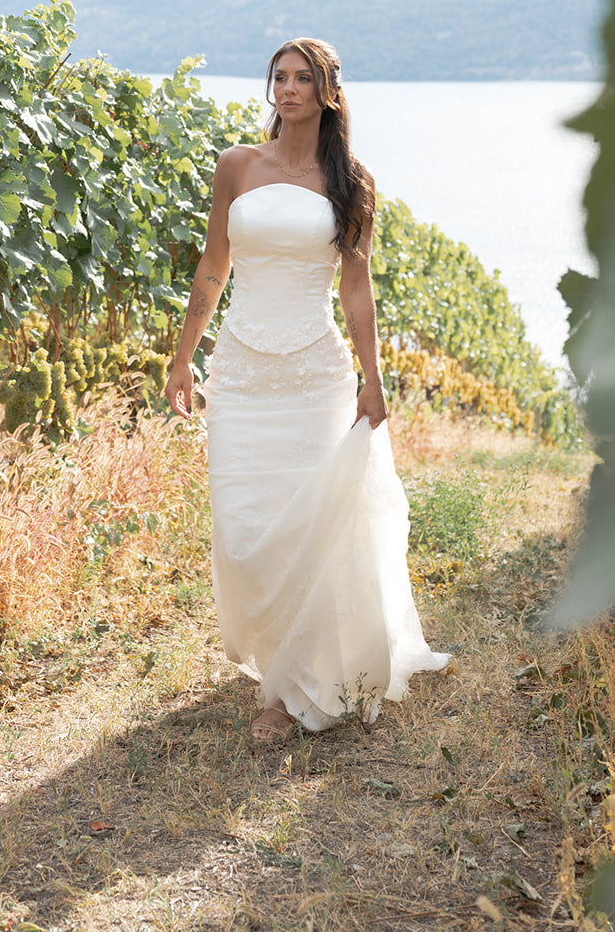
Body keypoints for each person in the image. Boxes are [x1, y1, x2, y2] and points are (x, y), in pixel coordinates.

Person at [165, 37, 450, 742]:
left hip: (314, 375)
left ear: (328, 92)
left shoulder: (351, 182)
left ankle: (287, 694)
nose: (287, 90)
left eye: (302, 79)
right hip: (239, 370)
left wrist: (372, 377)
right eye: (279, 78)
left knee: (312, 528)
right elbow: (211, 267)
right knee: (242, 527)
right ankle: (275, 662)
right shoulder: (236, 166)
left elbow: (356, 287)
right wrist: (181, 359)